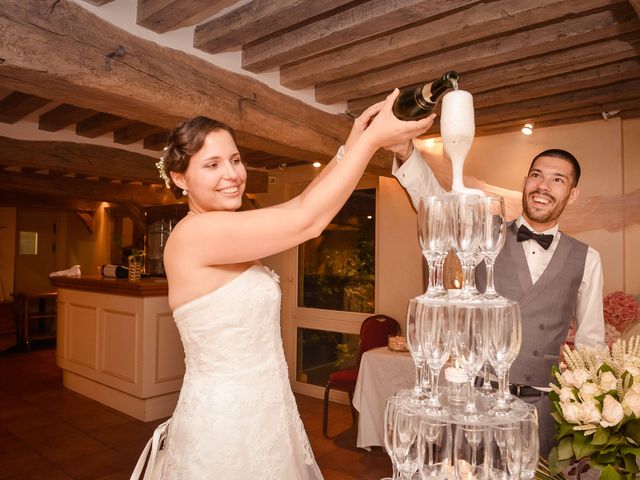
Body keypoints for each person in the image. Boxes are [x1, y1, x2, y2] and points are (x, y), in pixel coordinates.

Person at [152, 91, 434, 479]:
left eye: (235, 160)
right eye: (212, 164)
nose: (232, 174)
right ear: (180, 178)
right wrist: (371, 143)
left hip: (267, 410)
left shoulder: (226, 227)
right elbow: (308, 221)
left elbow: (302, 201)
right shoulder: (195, 234)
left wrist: (350, 143)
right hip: (225, 422)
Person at [391, 143, 605, 456]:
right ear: (526, 181)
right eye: (536, 175)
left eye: (558, 180)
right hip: (476, 400)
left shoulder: (588, 259)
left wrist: (590, 414)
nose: (543, 186)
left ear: (572, 193)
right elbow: (436, 203)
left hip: (542, 409)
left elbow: (590, 345)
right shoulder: (483, 233)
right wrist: (406, 153)